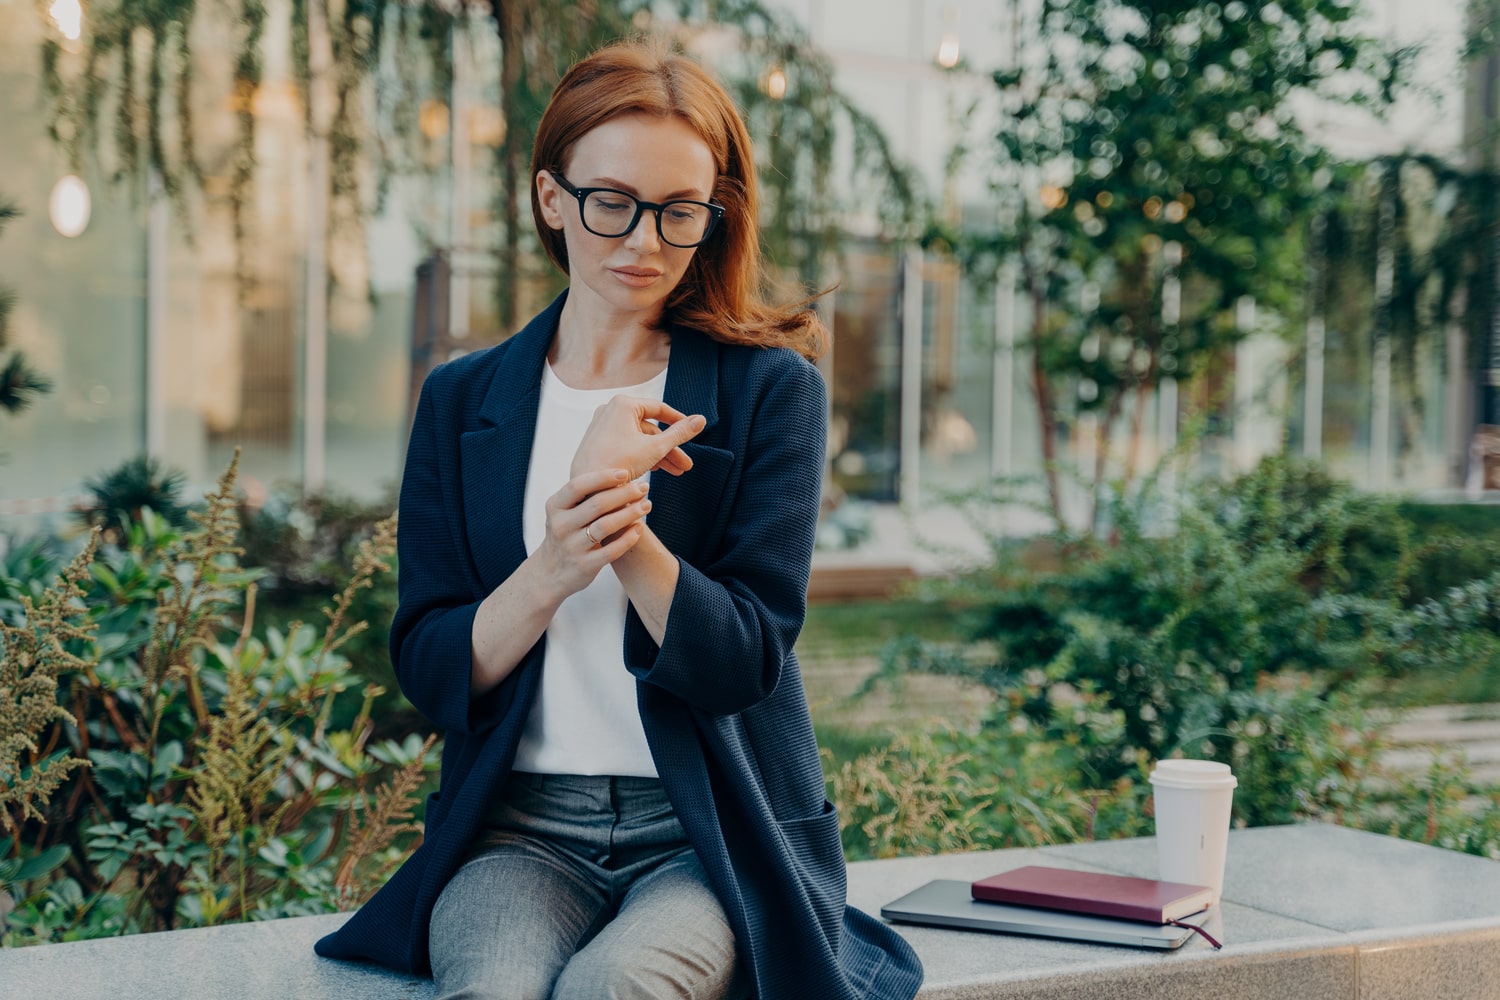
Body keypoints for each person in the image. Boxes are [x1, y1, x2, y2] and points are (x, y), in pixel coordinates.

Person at [314, 36, 924, 1000]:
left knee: (618, 989)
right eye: (612, 203)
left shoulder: (772, 392)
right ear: (551, 198)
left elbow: (745, 661)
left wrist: (627, 536)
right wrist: (555, 563)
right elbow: (432, 672)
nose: (642, 242)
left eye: (679, 212)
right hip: (518, 833)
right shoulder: (462, 400)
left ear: (714, 218)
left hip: (708, 831)